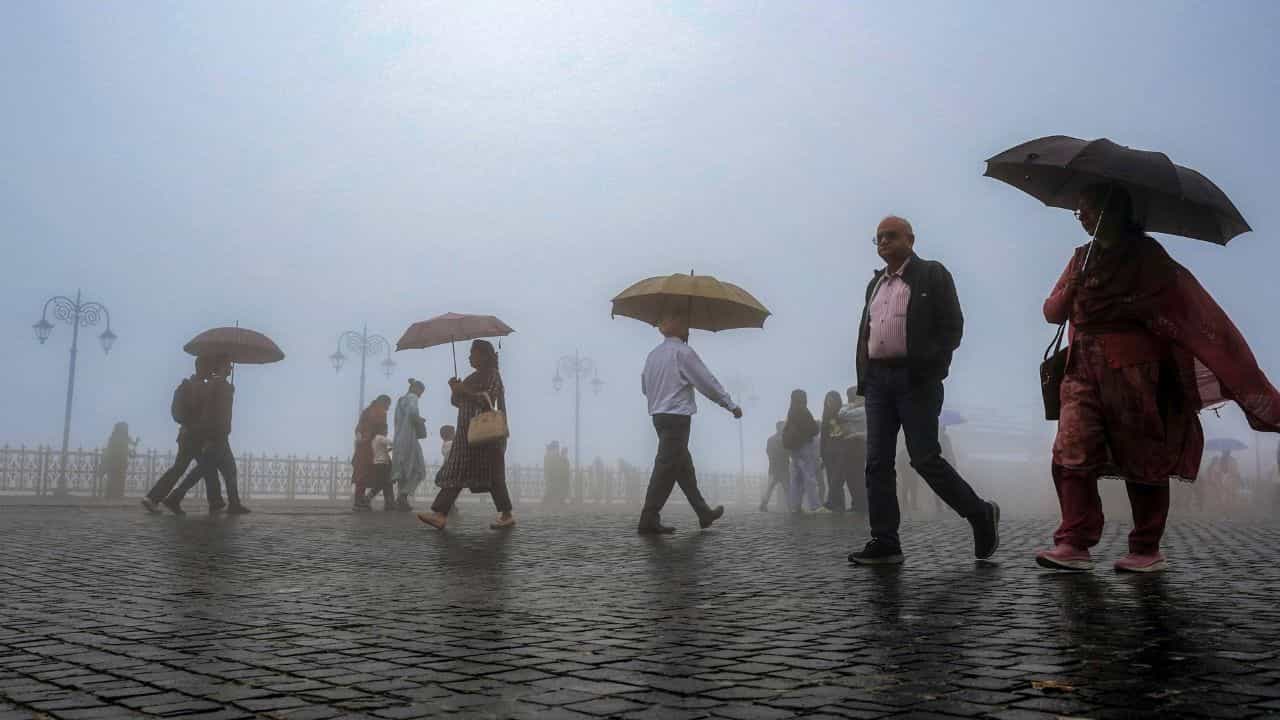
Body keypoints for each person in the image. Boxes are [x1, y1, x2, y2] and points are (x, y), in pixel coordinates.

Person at [1036, 183, 1280, 573]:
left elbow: (1180, 309)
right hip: (1081, 368)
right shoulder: (1081, 258)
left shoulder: (1148, 258)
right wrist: (1071, 291)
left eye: (1088, 207)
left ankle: (1146, 547)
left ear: (1113, 211)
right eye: (1078, 209)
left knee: (1142, 456)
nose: (1081, 215)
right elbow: (1051, 311)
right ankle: (1074, 541)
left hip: (1134, 372)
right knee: (1071, 449)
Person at [849, 215, 1000, 565]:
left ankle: (979, 513)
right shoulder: (876, 285)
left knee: (924, 459)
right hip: (878, 384)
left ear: (910, 239)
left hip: (916, 381)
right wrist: (868, 375)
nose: (883, 242)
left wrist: (929, 366)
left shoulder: (932, 274)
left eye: (891, 236)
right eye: (878, 238)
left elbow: (953, 327)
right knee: (877, 464)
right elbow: (868, 331)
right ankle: (885, 541)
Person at [636, 311, 739, 534]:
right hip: (677, 418)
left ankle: (703, 513)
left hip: (659, 416)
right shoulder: (683, 353)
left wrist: (660, 398)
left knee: (683, 467)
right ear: (676, 325)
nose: (687, 327)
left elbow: (645, 387)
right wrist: (729, 404)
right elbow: (706, 382)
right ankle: (648, 517)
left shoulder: (653, 355)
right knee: (665, 467)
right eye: (683, 322)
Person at [418, 340, 515, 530]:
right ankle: (440, 514)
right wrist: (455, 390)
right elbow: (459, 403)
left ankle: (506, 514)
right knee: (457, 472)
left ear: (484, 355)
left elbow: (488, 401)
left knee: (493, 474)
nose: (469, 357)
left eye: (473, 353)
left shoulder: (493, 375)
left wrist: (465, 391)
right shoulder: (472, 377)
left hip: (485, 436)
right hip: (465, 434)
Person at [165, 355, 249, 515]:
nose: (231, 368)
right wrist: (209, 436)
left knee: (226, 469)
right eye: (228, 365)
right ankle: (175, 497)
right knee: (203, 470)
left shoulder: (221, 386)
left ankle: (233, 503)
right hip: (215, 434)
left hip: (221, 434)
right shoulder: (216, 386)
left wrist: (229, 392)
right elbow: (211, 412)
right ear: (222, 367)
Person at [142, 356, 223, 513]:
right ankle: (214, 503)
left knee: (190, 467)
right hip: (197, 436)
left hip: (186, 434)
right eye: (209, 367)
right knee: (206, 466)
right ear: (203, 368)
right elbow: (208, 413)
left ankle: (156, 498)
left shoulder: (185, 386)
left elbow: (177, 414)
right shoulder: (203, 388)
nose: (211, 371)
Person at [391, 379, 427, 511]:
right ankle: (403, 495)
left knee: (403, 470)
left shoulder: (400, 400)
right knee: (419, 469)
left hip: (399, 438)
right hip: (409, 438)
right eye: (421, 392)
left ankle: (402, 500)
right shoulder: (412, 397)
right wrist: (419, 420)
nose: (420, 395)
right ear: (416, 389)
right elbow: (412, 413)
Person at [783, 390, 822, 513]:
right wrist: (816, 425)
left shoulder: (791, 411)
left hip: (794, 449)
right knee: (809, 477)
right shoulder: (804, 410)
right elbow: (814, 429)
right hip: (804, 447)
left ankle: (795, 506)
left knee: (797, 479)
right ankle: (815, 506)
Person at [351, 395, 391, 511]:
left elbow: (358, 429)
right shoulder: (380, 412)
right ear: (384, 403)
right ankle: (384, 501)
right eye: (388, 405)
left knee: (362, 474)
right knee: (384, 474)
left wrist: (360, 437)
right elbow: (381, 431)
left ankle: (360, 501)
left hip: (363, 447)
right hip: (372, 448)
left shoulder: (367, 411)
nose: (388, 408)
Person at [837, 387, 867, 513]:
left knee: (856, 477)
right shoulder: (859, 409)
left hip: (857, 445)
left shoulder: (862, 410)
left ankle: (861, 505)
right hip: (852, 445)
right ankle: (857, 504)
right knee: (851, 477)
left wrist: (850, 405)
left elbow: (842, 414)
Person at [821, 391, 852, 512]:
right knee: (831, 479)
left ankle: (831, 503)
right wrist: (822, 454)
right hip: (828, 453)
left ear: (837, 401)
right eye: (828, 400)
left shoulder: (842, 414)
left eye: (832, 400)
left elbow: (844, 431)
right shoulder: (826, 416)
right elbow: (823, 438)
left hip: (841, 451)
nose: (830, 403)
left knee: (837, 479)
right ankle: (838, 506)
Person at [98, 422, 136, 499]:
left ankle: (111, 495)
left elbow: (112, 449)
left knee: (114, 479)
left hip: (115, 462)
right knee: (118, 479)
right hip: (119, 462)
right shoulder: (124, 437)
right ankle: (116, 495)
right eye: (125, 428)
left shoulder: (114, 437)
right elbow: (130, 447)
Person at [760, 421, 790, 511]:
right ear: (779, 428)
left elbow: (768, 452)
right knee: (782, 488)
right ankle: (791, 505)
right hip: (779, 467)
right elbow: (770, 452)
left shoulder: (772, 439)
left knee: (781, 488)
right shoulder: (783, 439)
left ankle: (764, 505)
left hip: (778, 467)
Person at [367, 431, 395, 511]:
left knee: (385, 483)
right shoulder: (380, 437)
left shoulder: (374, 439)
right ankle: (367, 499)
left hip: (377, 463)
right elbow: (391, 443)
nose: (386, 432)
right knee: (383, 484)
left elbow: (381, 451)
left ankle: (389, 504)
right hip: (383, 464)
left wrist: (389, 450)